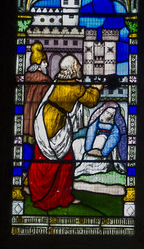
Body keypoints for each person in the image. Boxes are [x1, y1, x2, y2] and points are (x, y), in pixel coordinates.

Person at [28, 55, 102, 210]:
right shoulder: (75, 87)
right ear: (72, 69)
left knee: (42, 156)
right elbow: (91, 101)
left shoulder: (60, 81)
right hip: (55, 123)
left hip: (44, 118)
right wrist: (96, 89)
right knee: (64, 160)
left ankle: (40, 192)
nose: (80, 66)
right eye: (77, 64)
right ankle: (60, 197)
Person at [74, 101, 127, 178]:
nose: (109, 115)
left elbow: (114, 138)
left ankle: (85, 167)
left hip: (105, 144)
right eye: (107, 112)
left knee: (101, 140)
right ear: (103, 111)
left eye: (111, 114)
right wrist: (88, 148)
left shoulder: (115, 125)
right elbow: (91, 132)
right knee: (77, 142)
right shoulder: (97, 120)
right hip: (93, 141)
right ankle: (78, 163)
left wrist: (103, 152)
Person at [23, 42, 52, 145]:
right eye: (44, 62)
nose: (46, 64)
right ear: (39, 63)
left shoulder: (26, 78)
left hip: (26, 111)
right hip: (37, 111)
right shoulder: (45, 81)